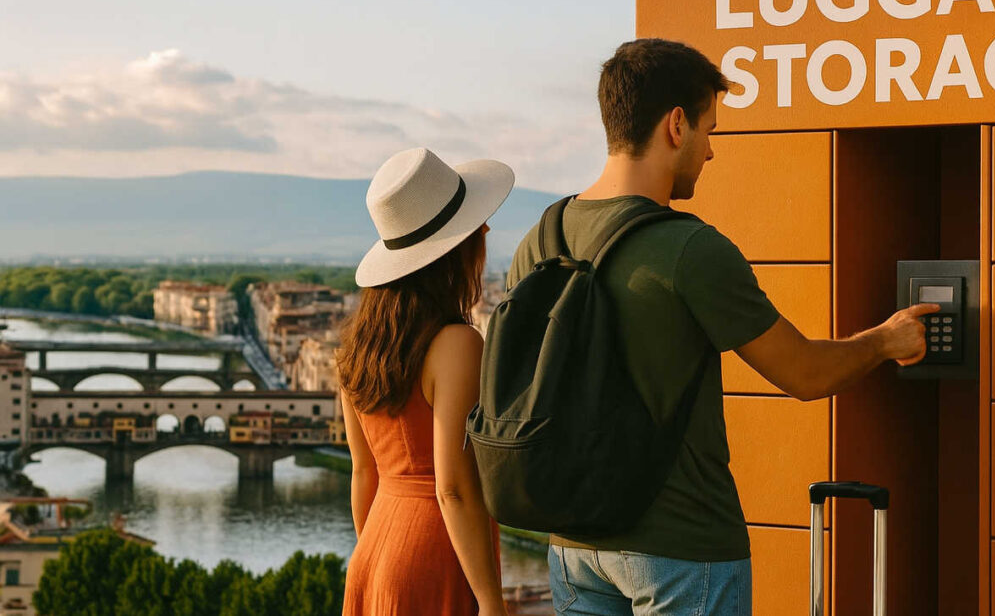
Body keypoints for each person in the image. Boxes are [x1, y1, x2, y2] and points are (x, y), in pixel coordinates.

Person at [506, 39, 936, 615]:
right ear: (676, 125)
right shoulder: (690, 248)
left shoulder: (541, 237)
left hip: (574, 546)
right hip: (683, 550)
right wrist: (884, 340)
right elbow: (805, 373)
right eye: (709, 129)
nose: (710, 151)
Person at [339, 147, 514, 616]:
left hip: (372, 551)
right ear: (457, 248)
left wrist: (379, 552)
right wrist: (491, 602)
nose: (486, 231)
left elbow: (363, 471)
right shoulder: (457, 344)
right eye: (477, 226)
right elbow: (452, 488)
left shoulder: (358, 348)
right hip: (435, 551)